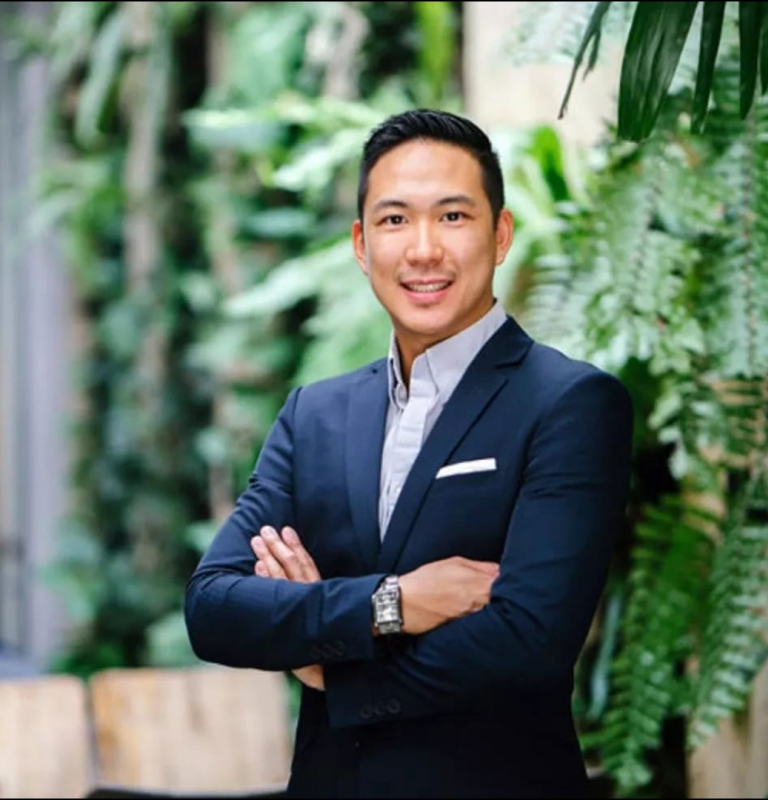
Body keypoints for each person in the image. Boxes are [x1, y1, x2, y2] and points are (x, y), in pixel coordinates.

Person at [184, 108, 633, 799]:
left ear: (500, 234)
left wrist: (328, 664)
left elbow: (528, 641)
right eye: (395, 220)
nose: (423, 250)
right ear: (361, 244)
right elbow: (215, 607)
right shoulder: (315, 415)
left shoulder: (569, 402)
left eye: (452, 216)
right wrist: (388, 605)